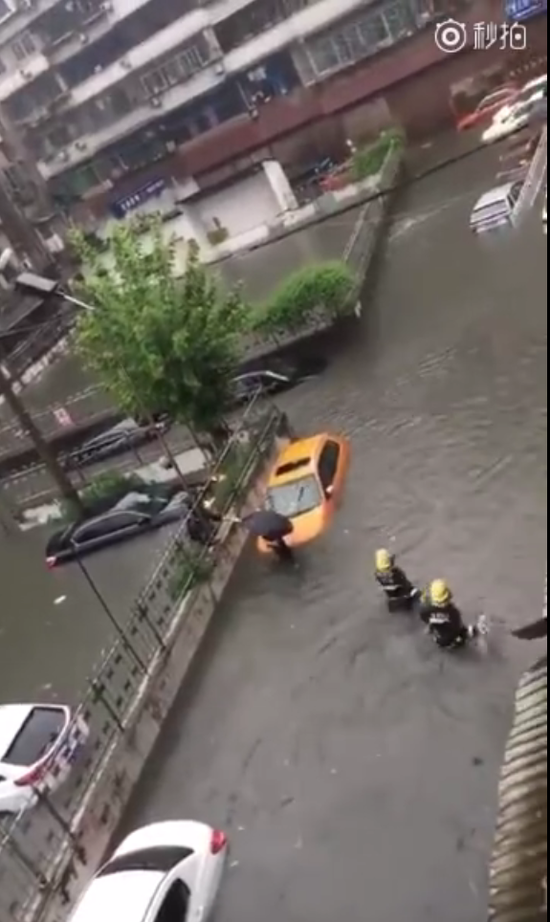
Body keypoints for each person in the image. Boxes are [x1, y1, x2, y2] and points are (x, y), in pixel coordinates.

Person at [419, 579, 473, 648]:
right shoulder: (452, 612)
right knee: (458, 641)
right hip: (448, 638)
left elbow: (425, 618)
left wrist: (430, 627)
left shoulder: (425, 608)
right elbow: (457, 627)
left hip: (439, 636)